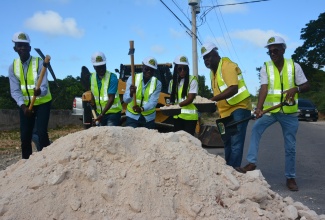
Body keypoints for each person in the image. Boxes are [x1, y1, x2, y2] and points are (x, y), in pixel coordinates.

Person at [236, 36, 310, 191]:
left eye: (275, 50)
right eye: (269, 51)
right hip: (271, 112)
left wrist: (295, 89)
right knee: (256, 129)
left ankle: (290, 177)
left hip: (289, 113)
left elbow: (306, 85)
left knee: (290, 146)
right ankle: (251, 162)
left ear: (283, 50)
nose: (272, 53)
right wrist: (259, 108)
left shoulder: (294, 66)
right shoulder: (266, 67)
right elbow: (264, 88)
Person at [201, 42, 252, 168]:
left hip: (239, 108)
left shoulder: (227, 66)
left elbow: (233, 88)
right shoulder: (212, 72)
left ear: (216, 54)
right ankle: (229, 169)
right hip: (225, 111)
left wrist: (212, 100)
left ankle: (233, 171)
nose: (207, 60)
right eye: (204, 58)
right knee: (227, 142)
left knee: (236, 142)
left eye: (209, 56)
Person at [8, 32, 52, 159]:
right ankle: (26, 164)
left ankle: (47, 160)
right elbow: (15, 91)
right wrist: (23, 107)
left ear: (29, 48)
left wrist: (39, 91)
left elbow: (43, 85)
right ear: (15, 48)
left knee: (42, 133)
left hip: (43, 102)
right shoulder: (13, 67)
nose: (22, 48)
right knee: (25, 136)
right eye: (19, 45)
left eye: (25, 46)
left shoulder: (39, 63)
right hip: (26, 105)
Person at [123, 56, 162, 129]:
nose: (149, 71)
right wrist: (131, 94)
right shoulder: (132, 79)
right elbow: (125, 100)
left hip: (148, 118)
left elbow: (153, 102)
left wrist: (141, 109)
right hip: (132, 116)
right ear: (142, 67)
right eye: (147, 69)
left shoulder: (157, 83)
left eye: (152, 70)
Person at [168, 55, 198, 136]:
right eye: (180, 69)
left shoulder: (192, 80)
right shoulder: (172, 83)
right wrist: (170, 106)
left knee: (188, 142)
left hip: (190, 118)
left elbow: (190, 98)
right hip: (177, 117)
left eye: (185, 69)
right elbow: (171, 99)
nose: (182, 71)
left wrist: (176, 106)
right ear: (176, 69)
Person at [90, 51, 122, 126]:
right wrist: (92, 102)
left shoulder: (112, 77)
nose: (101, 69)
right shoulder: (92, 77)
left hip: (113, 113)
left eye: (103, 66)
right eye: (98, 67)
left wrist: (101, 115)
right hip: (100, 113)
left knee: (110, 134)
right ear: (94, 67)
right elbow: (92, 90)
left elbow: (111, 99)